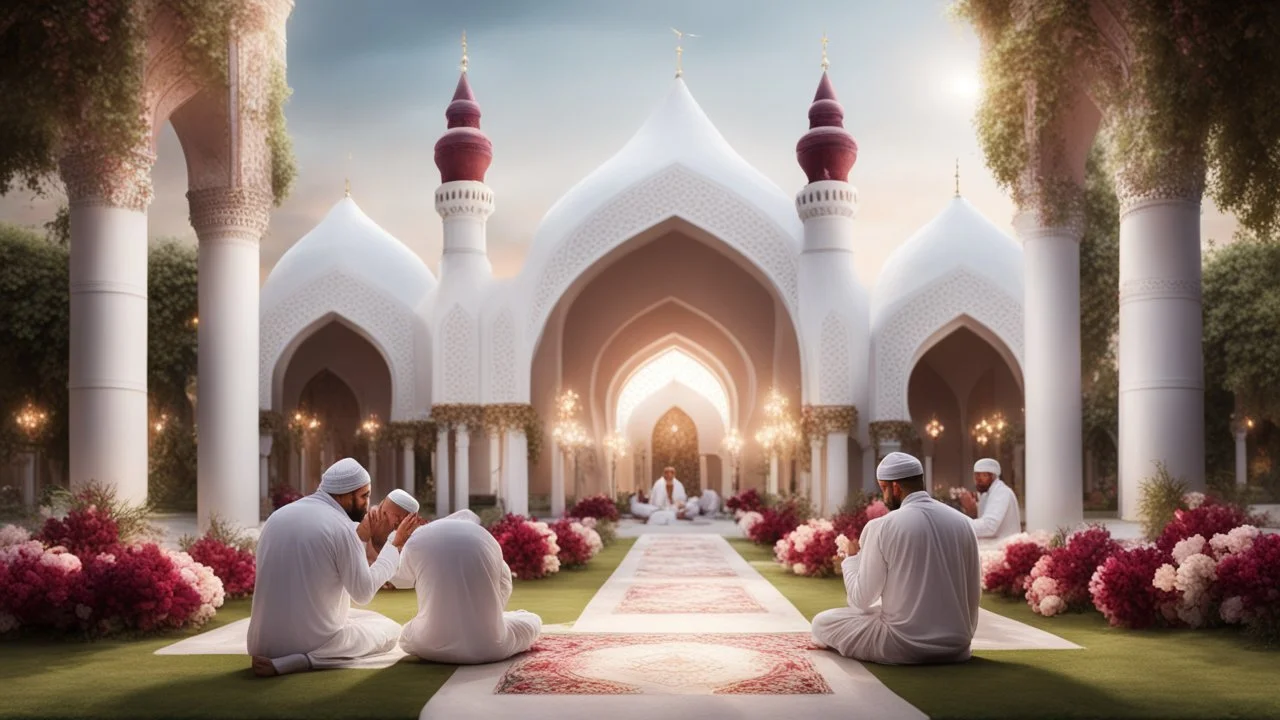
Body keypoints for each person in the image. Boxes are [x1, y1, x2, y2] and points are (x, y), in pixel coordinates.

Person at [248, 458, 425, 677]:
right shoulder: (341, 527)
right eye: (364, 496)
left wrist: (365, 538)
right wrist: (395, 544)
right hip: (309, 645)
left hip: (261, 644)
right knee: (390, 630)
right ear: (344, 494)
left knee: (368, 618)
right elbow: (363, 593)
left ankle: (296, 656)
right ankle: (303, 661)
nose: (368, 504)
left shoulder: (277, 517)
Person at [811, 451, 980, 665]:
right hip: (957, 647)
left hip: (903, 645)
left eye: (883, 489)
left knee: (821, 622)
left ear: (895, 487)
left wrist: (852, 559)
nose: (883, 497)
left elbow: (860, 601)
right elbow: (974, 592)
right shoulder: (964, 523)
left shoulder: (882, 526)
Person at [398, 516, 542, 664]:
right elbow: (505, 584)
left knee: (405, 635)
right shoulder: (486, 537)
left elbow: (400, 580)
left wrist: (397, 546)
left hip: (429, 647)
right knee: (533, 620)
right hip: (489, 647)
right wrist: (488, 616)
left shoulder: (414, 543)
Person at [960, 458, 1021, 540]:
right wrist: (971, 509)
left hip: (1004, 546)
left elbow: (989, 526)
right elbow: (982, 520)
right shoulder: (985, 494)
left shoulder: (1001, 492)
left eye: (982, 476)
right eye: (976, 475)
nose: (978, 480)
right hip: (992, 547)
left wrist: (958, 525)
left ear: (993, 476)